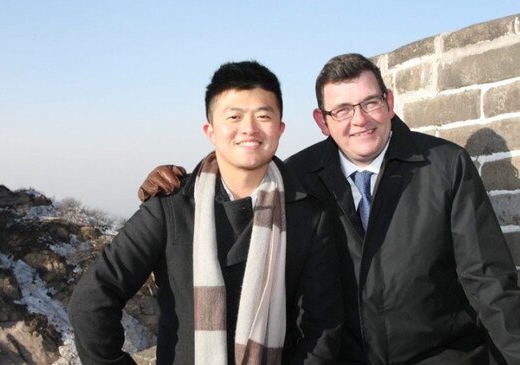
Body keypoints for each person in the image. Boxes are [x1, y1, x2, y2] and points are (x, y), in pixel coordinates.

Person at [138, 53, 520, 364]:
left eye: (371, 102)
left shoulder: (444, 165)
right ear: (322, 121)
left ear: (388, 103)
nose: (359, 120)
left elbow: (488, 279)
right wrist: (177, 184)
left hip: (443, 355)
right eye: (342, 110)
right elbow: (237, 191)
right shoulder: (299, 176)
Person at [69, 60, 342, 365]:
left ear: (280, 128)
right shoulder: (170, 207)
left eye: (263, 116)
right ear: (210, 130)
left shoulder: (307, 215)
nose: (249, 129)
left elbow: (322, 328)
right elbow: (91, 300)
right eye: (234, 116)